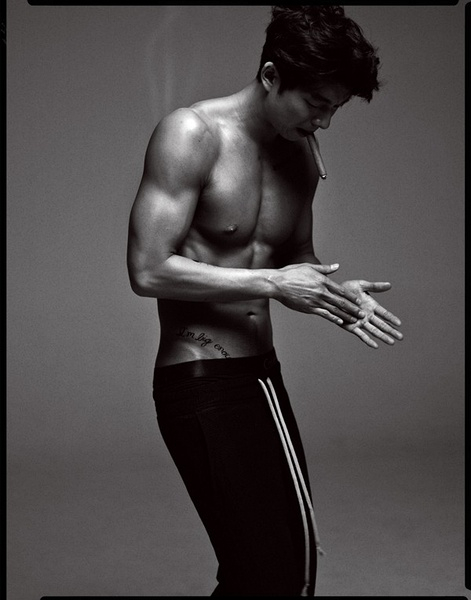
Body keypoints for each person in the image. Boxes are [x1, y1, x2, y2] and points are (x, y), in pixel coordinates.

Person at [127, 5, 403, 596]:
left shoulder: (298, 153)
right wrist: (274, 284)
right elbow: (148, 269)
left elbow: (296, 254)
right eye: (316, 103)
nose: (324, 121)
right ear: (272, 75)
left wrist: (332, 292)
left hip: (262, 379)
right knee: (275, 570)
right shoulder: (192, 134)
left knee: (275, 569)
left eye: (335, 108)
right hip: (200, 378)